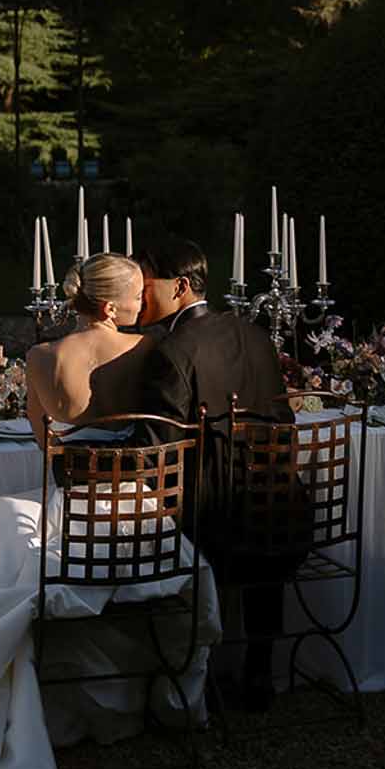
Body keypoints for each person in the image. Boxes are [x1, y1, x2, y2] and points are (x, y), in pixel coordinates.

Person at [136, 235, 303, 711]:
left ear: (180, 286)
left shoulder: (172, 351)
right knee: (257, 516)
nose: (139, 296)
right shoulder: (253, 333)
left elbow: (156, 453)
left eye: (146, 285)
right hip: (280, 509)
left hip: (213, 522)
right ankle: (258, 671)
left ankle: (175, 678)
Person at [25, 252, 152, 448]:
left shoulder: (40, 356)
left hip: (70, 473)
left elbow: (40, 431)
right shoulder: (144, 347)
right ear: (110, 309)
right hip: (139, 471)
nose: (142, 304)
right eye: (138, 297)